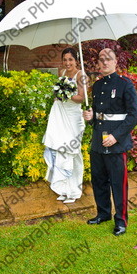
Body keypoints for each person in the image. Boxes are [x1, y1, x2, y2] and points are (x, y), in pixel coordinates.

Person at [83, 48, 137, 236]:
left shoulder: (125, 85)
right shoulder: (97, 86)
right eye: (101, 59)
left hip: (116, 143)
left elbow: (134, 115)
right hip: (98, 142)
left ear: (116, 62)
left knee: (118, 183)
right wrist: (90, 116)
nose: (105, 62)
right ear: (98, 63)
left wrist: (116, 136)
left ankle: (121, 220)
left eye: (109, 59)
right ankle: (103, 213)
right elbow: (97, 116)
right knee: (98, 180)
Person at [43, 47, 88, 203]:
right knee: (60, 150)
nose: (67, 63)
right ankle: (63, 188)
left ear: (76, 60)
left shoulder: (81, 75)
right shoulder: (61, 73)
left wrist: (67, 95)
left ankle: (74, 191)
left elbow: (82, 98)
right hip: (60, 116)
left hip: (73, 118)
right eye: (65, 59)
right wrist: (59, 94)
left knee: (72, 152)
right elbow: (58, 93)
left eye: (70, 59)